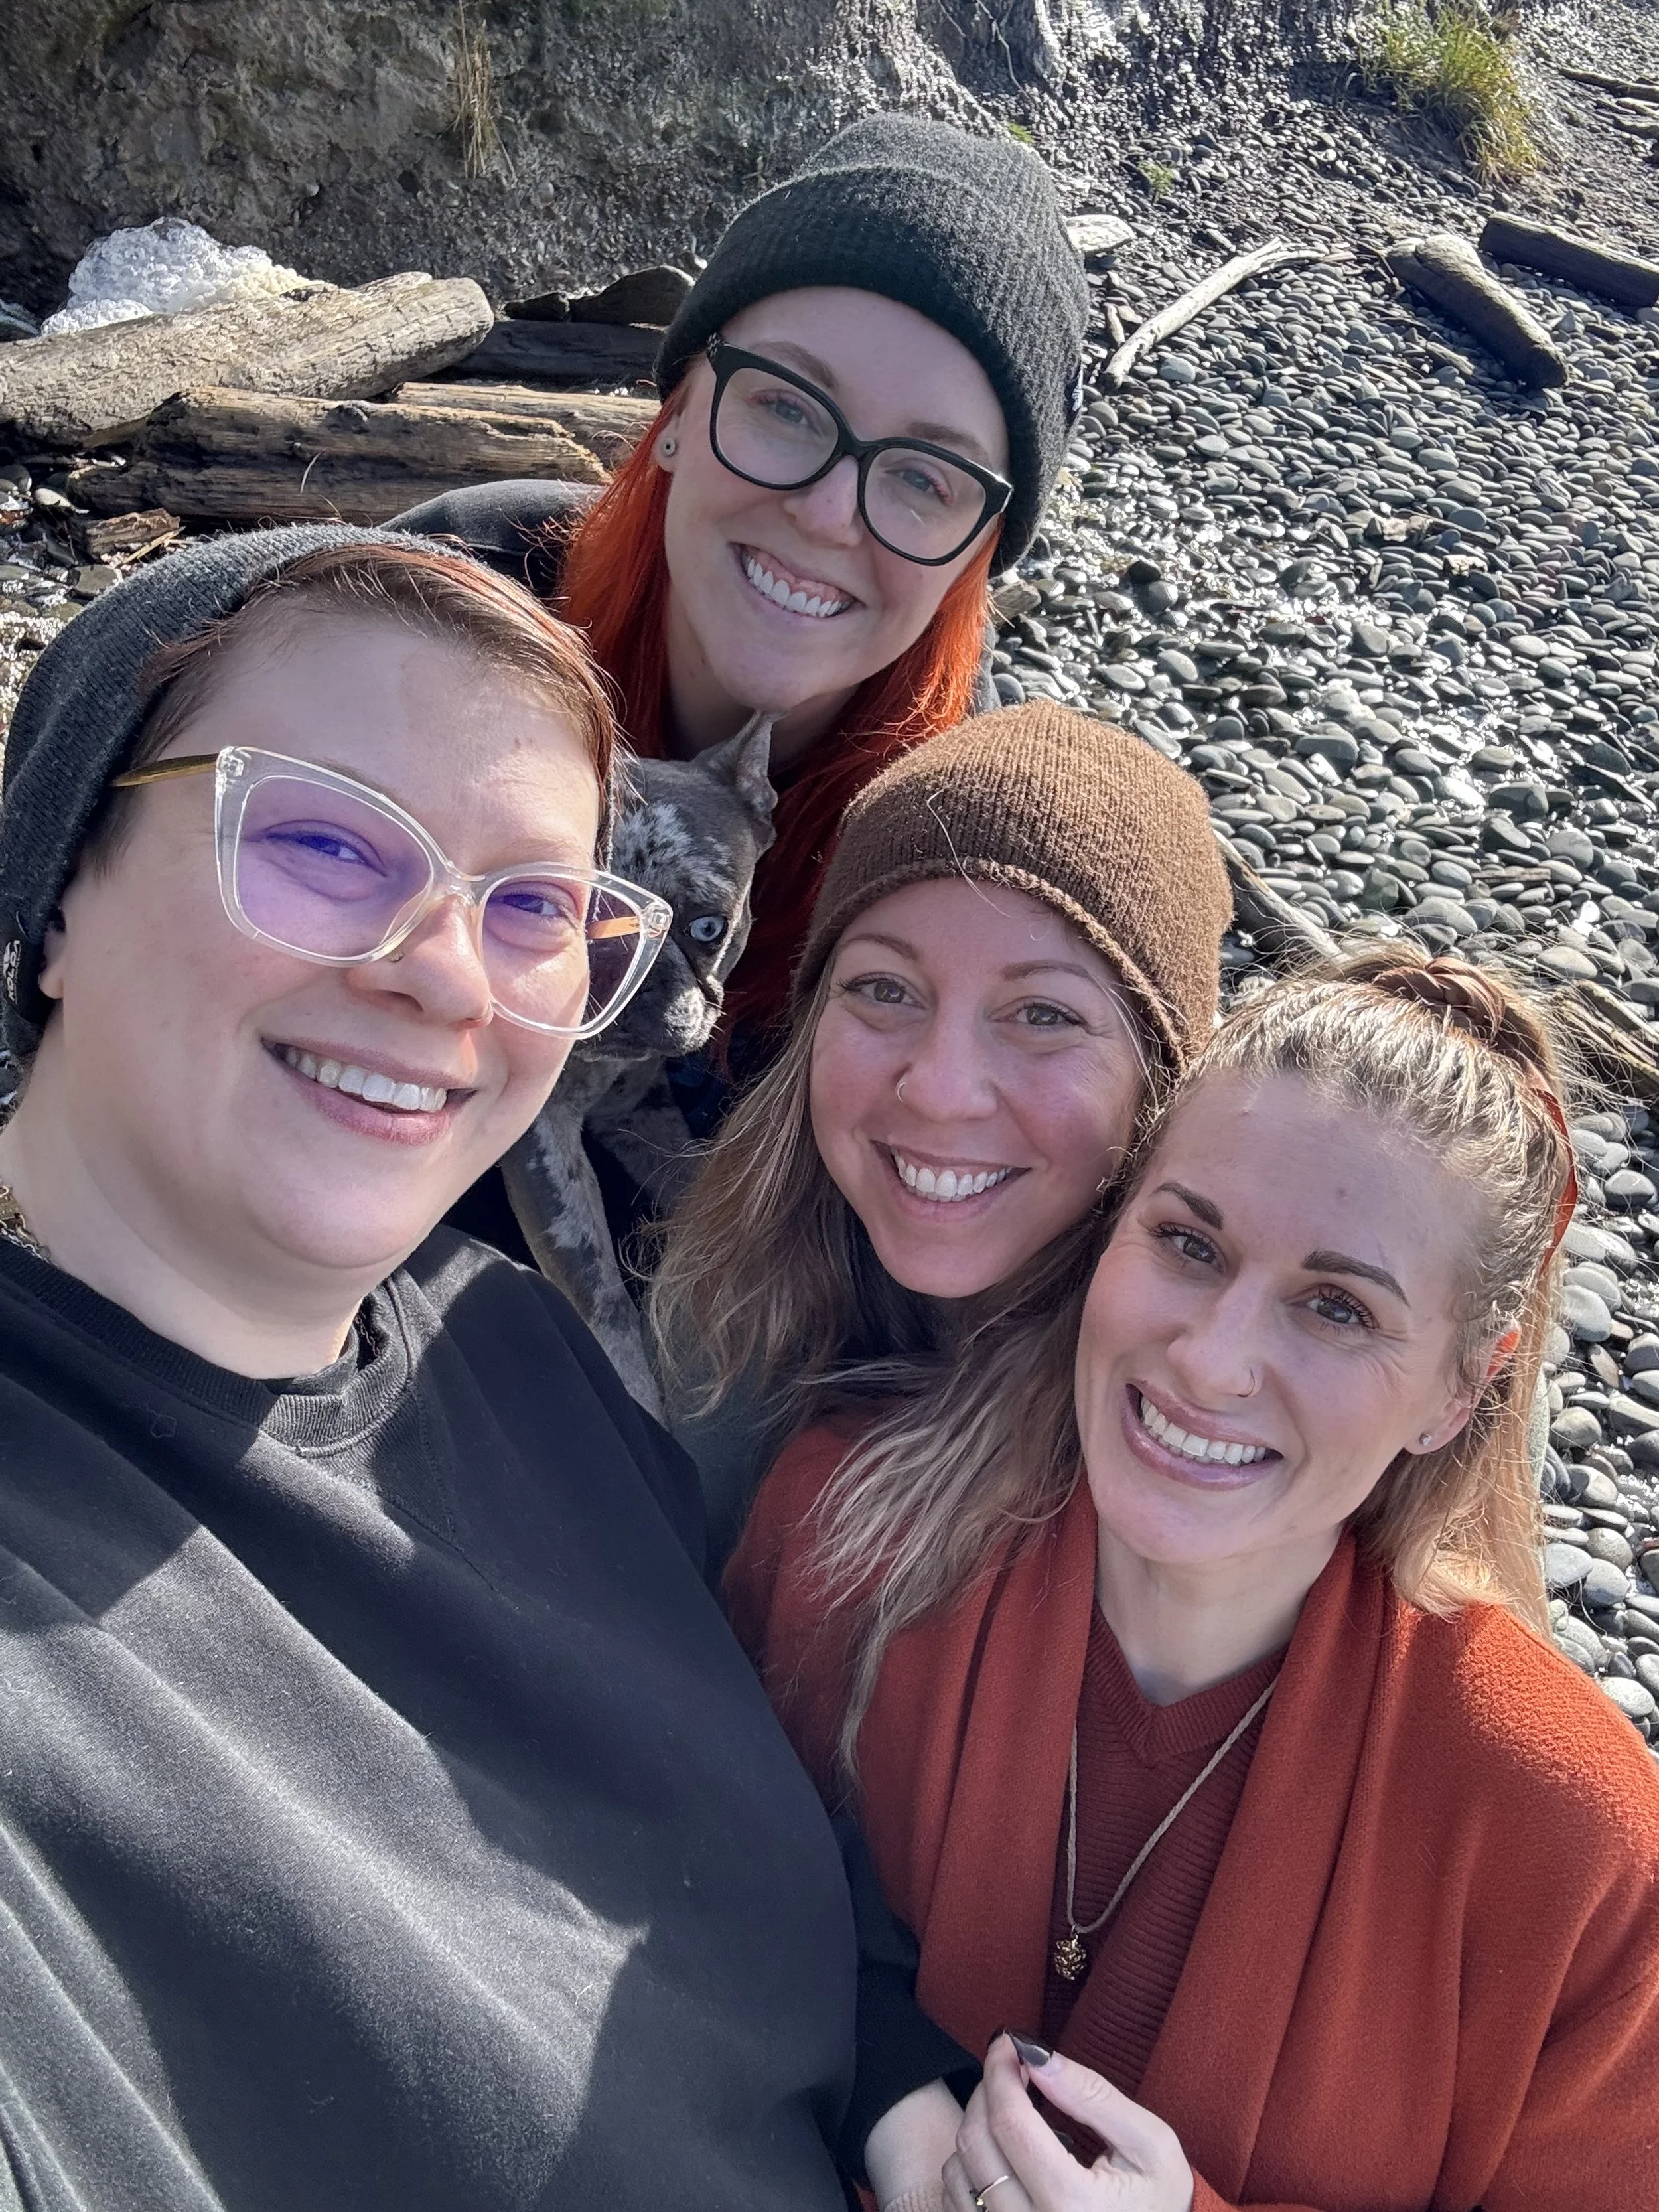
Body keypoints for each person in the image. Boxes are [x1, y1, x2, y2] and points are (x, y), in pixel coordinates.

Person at [0, 526, 862, 2212]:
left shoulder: (503, 1344)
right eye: (323, 839)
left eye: (532, 904)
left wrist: (916, 2106)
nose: (444, 972)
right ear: (59, 889)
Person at [727, 945, 1659, 2212]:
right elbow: (657, 1910)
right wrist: (888, 2103)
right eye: (1189, 1243)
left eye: (1337, 1309)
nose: (1212, 1360)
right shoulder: (845, 1534)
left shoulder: (1568, 1835)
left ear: (1464, 1386)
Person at [396, 110, 1090, 1053]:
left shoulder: (973, 831)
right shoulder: (454, 590)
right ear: (677, 408)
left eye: (926, 478)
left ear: (977, 553)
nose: (828, 514)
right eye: (788, 409)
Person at [648, 700, 1232, 1564]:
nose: (941, 1092)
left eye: (1042, 1014)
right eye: (886, 990)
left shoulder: (1217, 1421)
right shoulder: (731, 1305)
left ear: (1163, 1078)